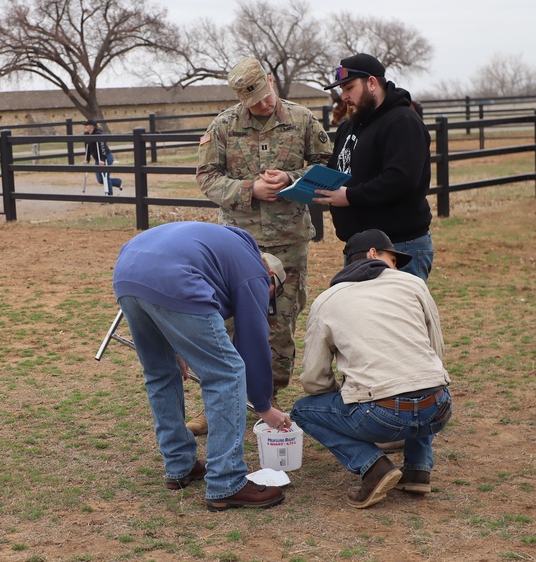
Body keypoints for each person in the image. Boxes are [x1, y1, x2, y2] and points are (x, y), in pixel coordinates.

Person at [193, 56, 332, 435]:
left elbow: (326, 167)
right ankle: (218, 403)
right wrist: (248, 189)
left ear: (271, 81)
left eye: (266, 97)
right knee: (227, 325)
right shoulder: (223, 126)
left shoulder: (302, 120)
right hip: (239, 245)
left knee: (279, 324)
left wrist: (291, 176)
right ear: (241, 99)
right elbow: (206, 177)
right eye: (253, 102)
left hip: (289, 242)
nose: (263, 106)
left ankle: (267, 402)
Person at [114, 221, 293, 512]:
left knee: (160, 373)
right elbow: (252, 342)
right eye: (272, 293)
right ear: (270, 276)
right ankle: (227, 481)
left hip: (128, 273)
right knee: (226, 373)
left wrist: (176, 343)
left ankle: (179, 465)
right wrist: (263, 406)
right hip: (173, 279)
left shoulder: (222, 246)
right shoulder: (255, 272)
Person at [289, 229, 453, 509]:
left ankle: (374, 466)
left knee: (302, 411)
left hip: (380, 416)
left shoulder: (327, 301)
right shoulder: (414, 284)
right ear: (374, 254)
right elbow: (435, 353)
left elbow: (314, 380)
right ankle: (418, 468)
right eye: (394, 258)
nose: (397, 266)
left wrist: (345, 395)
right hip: (437, 408)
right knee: (420, 375)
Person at [317, 53, 434, 282]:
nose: (345, 97)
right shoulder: (348, 127)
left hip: (399, 247)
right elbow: (336, 171)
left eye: (349, 87)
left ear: (371, 83)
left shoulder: (402, 122)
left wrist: (350, 196)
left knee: (397, 316)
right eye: (342, 90)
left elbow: (401, 178)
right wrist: (302, 184)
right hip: (358, 246)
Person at [83, 119, 123, 195]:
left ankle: (109, 197)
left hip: (106, 157)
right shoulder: (86, 135)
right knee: (100, 180)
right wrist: (87, 159)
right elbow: (87, 148)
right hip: (97, 159)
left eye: (86, 125)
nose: (85, 127)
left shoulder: (99, 134)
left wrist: (103, 159)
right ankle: (118, 182)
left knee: (105, 177)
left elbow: (103, 147)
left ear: (91, 126)